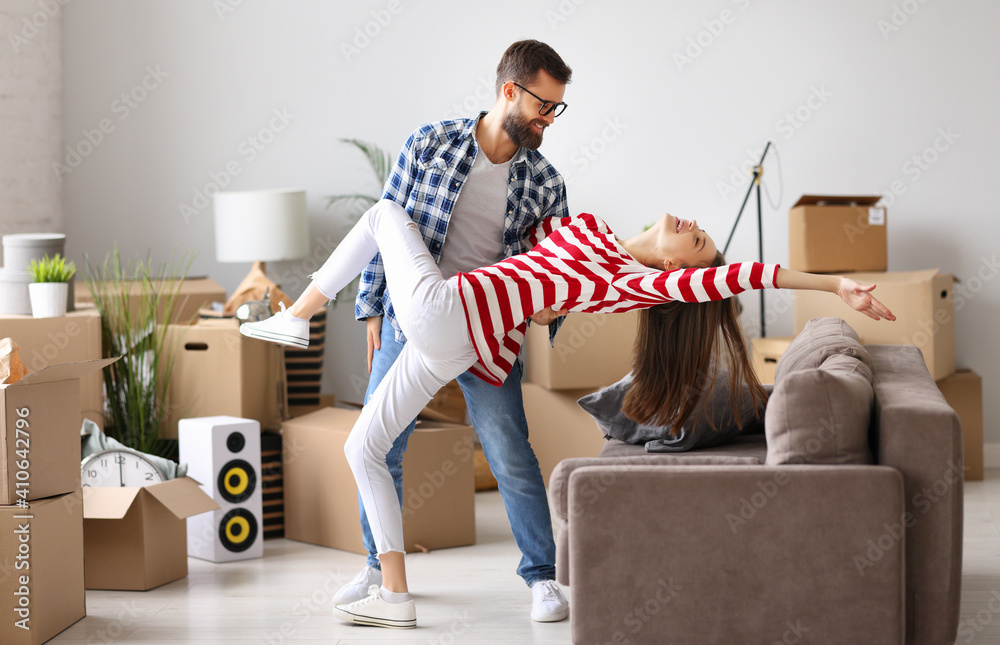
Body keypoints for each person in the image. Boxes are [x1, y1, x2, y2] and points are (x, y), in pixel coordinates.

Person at [241, 200, 896, 629]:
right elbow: (539, 255)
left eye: (695, 240)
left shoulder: (636, 280)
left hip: (451, 312)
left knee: (385, 212)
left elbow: (736, 277)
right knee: (363, 447)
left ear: (674, 269)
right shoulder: (591, 230)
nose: (691, 224)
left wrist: (834, 283)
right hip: (463, 335)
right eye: (696, 226)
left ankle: (297, 318)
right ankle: (395, 594)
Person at [344, 39, 574, 624]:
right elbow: (384, 220)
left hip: (487, 332)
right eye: (544, 106)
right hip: (413, 318)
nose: (549, 120)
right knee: (381, 444)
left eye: (556, 110)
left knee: (510, 454)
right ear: (509, 91)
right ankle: (377, 566)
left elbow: (560, 269)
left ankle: (543, 579)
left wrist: (552, 311)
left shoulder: (545, 182)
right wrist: (372, 307)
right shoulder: (431, 144)